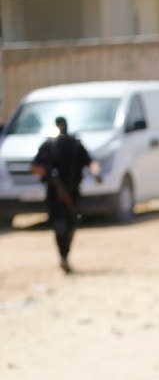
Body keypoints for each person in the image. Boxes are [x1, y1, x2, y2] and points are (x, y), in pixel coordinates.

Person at [30, 116, 100, 273]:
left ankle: (64, 255)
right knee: (61, 225)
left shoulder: (74, 145)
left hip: (71, 193)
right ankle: (64, 256)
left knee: (70, 225)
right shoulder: (50, 145)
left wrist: (96, 174)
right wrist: (48, 176)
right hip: (57, 193)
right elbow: (34, 166)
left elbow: (90, 162)